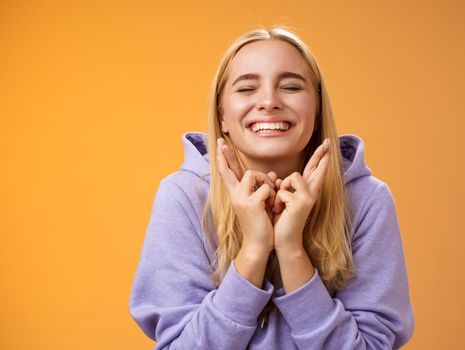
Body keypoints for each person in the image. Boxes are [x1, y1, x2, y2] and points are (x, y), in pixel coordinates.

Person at [129, 27, 414, 349]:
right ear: (221, 114)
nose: (268, 102)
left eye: (291, 86)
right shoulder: (184, 196)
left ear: (318, 110)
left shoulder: (366, 200)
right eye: (247, 88)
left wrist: (292, 250)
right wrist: (253, 250)